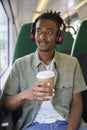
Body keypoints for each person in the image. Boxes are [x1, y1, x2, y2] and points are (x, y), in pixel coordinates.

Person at [2, 10, 87, 130]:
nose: (42, 37)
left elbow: (77, 103)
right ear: (33, 35)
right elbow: (5, 106)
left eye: (49, 32)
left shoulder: (72, 63)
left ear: (58, 37)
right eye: (38, 31)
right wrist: (25, 95)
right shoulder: (20, 65)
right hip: (34, 125)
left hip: (67, 123)